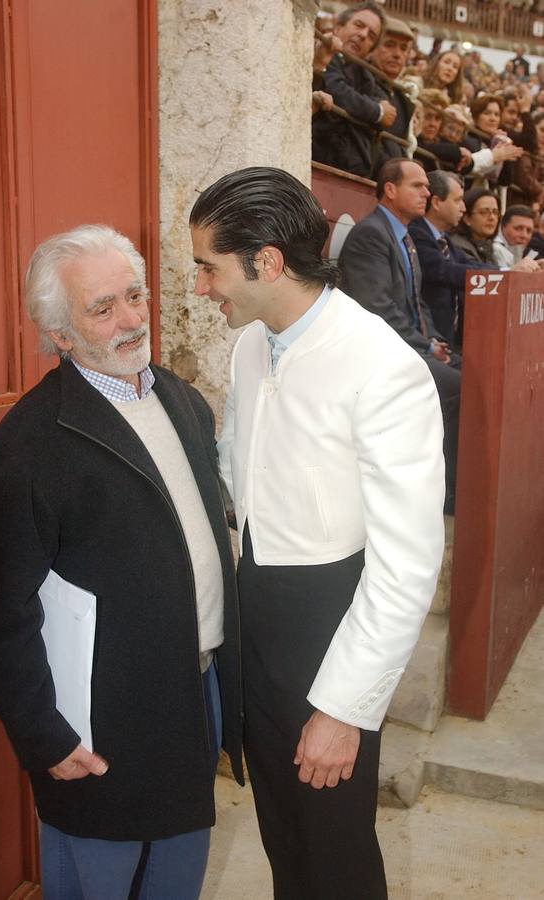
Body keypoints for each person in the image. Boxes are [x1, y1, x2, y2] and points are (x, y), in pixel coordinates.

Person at [0, 224, 243, 900]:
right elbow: (0, 618)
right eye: (102, 308)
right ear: (60, 335)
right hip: (97, 728)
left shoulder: (180, 399)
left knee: (177, 880)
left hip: (194, 696)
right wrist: (44, 738)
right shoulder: (23, 449)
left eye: (135, 296)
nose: (129, 320)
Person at [189, 166, 445, 900]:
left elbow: (405, 567)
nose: (202, 288)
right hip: (256, 620)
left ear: (266, 261)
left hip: (332, 631)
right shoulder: (250, 343)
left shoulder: (383, 367)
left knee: (334, 857)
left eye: (210, 267)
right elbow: (237, 465)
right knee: (285, 842)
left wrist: (343, 708)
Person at [340, 158, 460, 511]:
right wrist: (425, 347)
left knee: (471, 370)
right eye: (417, 185)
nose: (427, 191)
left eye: (427, 186)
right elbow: (377, 309)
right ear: (390, 190)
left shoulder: (404, 235)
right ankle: (445, 495)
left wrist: (436, 342)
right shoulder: (370, 235)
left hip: (409, 344)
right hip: (378, 349)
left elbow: (416, 303)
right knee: (457, 387)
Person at [408, 172, 539, 348]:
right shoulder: (417, 232)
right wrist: (508, 272)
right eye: (458, 201)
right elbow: (445, 271)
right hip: (429, 339)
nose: (463, 208)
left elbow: (469, 265)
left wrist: (517, 270)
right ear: (437, 203)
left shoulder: (443, 238)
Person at [312, 1, 395, 178]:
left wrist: (374, 110)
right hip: (318, 160)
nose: (363, 35)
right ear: (339, 26)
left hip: (355, 170)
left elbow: (388, 111)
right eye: (359, 25)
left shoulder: (365, 74)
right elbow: (337, 89)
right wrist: (377, 111)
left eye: (372, 36)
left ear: (370, 50)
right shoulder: (324, 49)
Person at [369, 16, 415, 166]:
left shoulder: (403, 99)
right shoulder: (358, 81)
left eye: (403, 48)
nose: (397, 54)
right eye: (389, 45)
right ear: (373, 46)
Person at [450, 186, 501, 264]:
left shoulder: (486, 245)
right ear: (467, 219)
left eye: (495, 212)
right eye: (484, 212)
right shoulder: (459, 246)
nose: (492, 217)